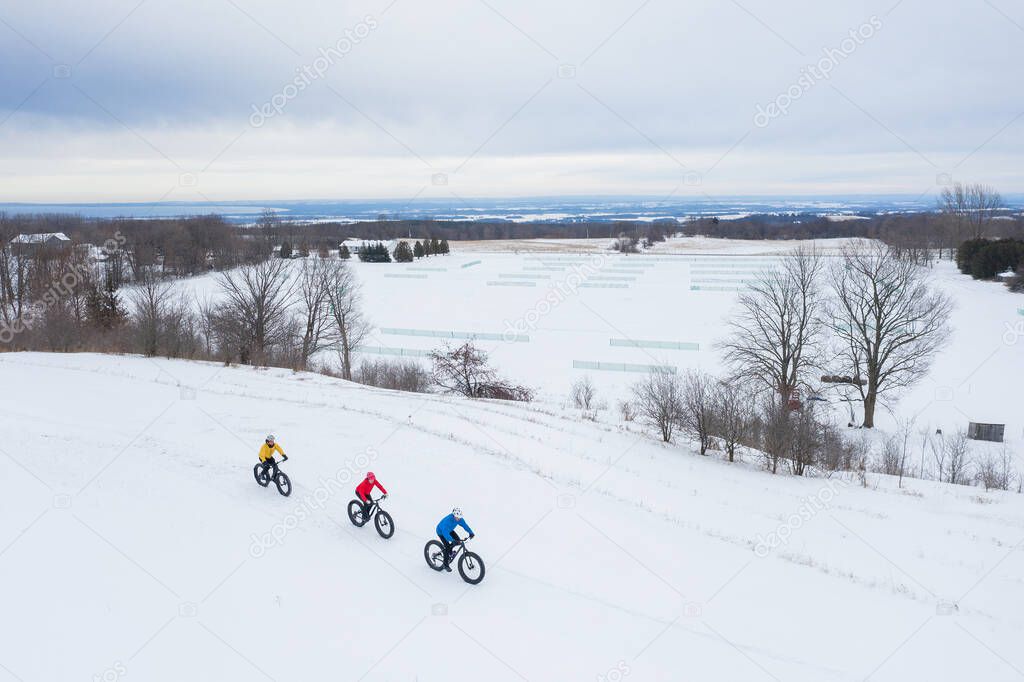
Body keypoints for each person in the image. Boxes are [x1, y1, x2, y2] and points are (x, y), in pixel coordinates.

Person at [436, 507, 474, 572]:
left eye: (459, 517)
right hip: (441, 531)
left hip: (450, 530)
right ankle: (445, 564)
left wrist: (471, 533)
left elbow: (465, 526)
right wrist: (452, 540)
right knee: (447, 546)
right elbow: (445, 532)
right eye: (457, 517)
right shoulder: (448, 520)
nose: (458, 519)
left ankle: (450, 552)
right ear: (453, 515)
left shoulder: (460, 519)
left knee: (458, 541)